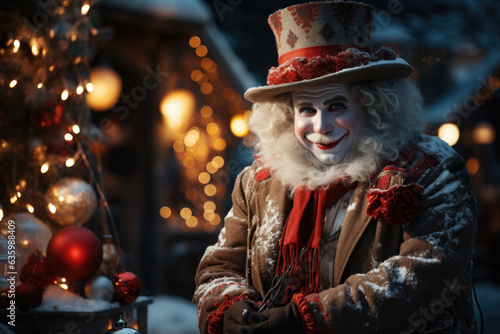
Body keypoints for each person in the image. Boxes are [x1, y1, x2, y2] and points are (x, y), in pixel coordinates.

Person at [193, 1, 477, 333]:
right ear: (288, 116)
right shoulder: (257, 181)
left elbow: (425, 276)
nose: (321, 126)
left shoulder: (433, 170)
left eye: (337, 105)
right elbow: (219, 266)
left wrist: (306, 320)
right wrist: (231, 308)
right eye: (306, 109)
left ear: (374, 106)